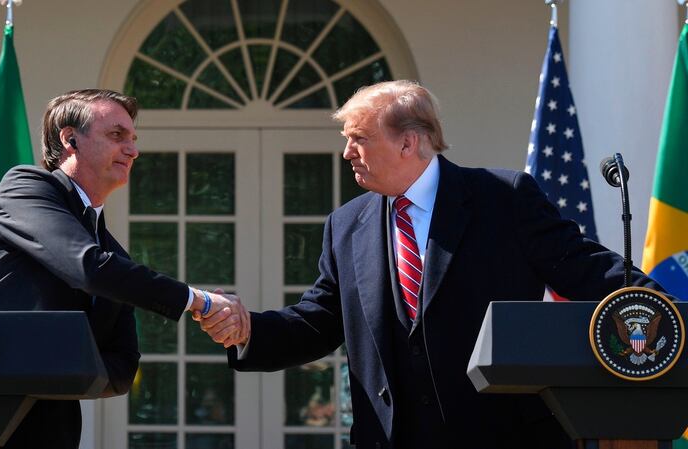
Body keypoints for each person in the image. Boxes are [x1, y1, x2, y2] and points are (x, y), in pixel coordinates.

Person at [199, 80, 664, 448]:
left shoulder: (503, 199)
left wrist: (662, 310)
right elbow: (319, 322)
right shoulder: (346, 224)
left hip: (503, 435)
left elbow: (585, 269)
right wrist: (248, 332)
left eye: (359, 139)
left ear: (409, 144)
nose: (346, 153)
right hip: (390, 437)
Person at [0, 89, 246, 449]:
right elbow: (87, 269)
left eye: (133, 139)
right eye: (116, 135)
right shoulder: (23, 188)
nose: (133, 150)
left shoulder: (112, 255)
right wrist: (198, 301)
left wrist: (59, 366)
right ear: (70, 138)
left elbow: (124, 368)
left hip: (51, 432)